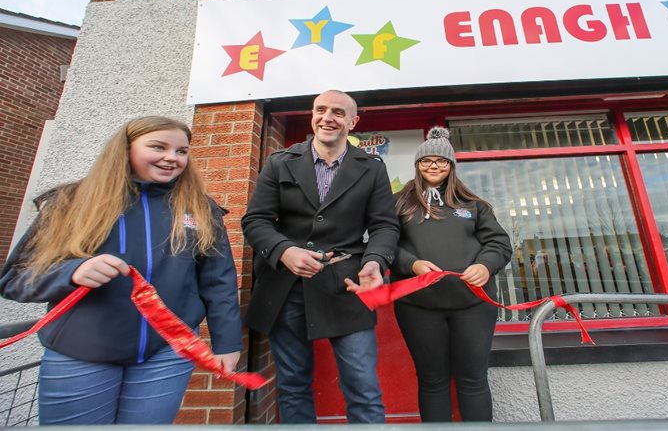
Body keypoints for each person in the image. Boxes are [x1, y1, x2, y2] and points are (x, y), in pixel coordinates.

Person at [0, 116, 243, 424]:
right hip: (80, 356)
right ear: (125, 149)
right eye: (158, 147)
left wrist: (228, 342)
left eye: (182, 151)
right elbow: (15, 278)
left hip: (166, 356)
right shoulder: (70, 201)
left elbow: (218, 281)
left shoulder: (200, 207)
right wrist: (71, 273)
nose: (172, 157)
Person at [242, 90, 399, 424]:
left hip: (348, 287)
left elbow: (385, 226)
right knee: (293, 385)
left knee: (364, 388)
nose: (328, 117)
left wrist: (375, 262)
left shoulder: (371, 167)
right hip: (287, 290)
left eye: (339, 112)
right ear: (312, 116)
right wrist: (284, 251)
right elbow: (255, 221)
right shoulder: (280, 162)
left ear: (353, 122)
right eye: (321, 110)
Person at [391, 127, 512, 422]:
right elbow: (384, 245)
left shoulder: (474, 205)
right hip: (417, 307)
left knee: (473, 380)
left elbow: (499, 243)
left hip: (473, 305)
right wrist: (412, 264)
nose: (434, 166)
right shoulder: (397, 202)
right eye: (427, 160)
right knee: (432, 381)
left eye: (442, 161)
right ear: (418, 165)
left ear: (451, 166)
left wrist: (485, 265)